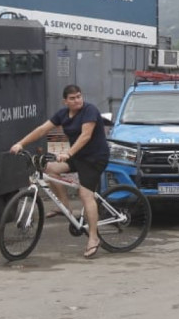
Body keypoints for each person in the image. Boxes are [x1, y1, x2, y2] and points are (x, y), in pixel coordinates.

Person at [10, 84, 109, 259]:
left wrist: (68, 153)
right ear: (65, 101)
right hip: (77, 156)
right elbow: (42, 130)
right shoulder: (63, 114)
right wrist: (21, 144)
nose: (77, 100)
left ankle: (94, 238)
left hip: (94, 158)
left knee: (85, 194)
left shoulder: (90, 111)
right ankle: (65, 207)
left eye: (79, 96)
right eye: (72, 98)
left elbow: (85, 136)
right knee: (48, 169)